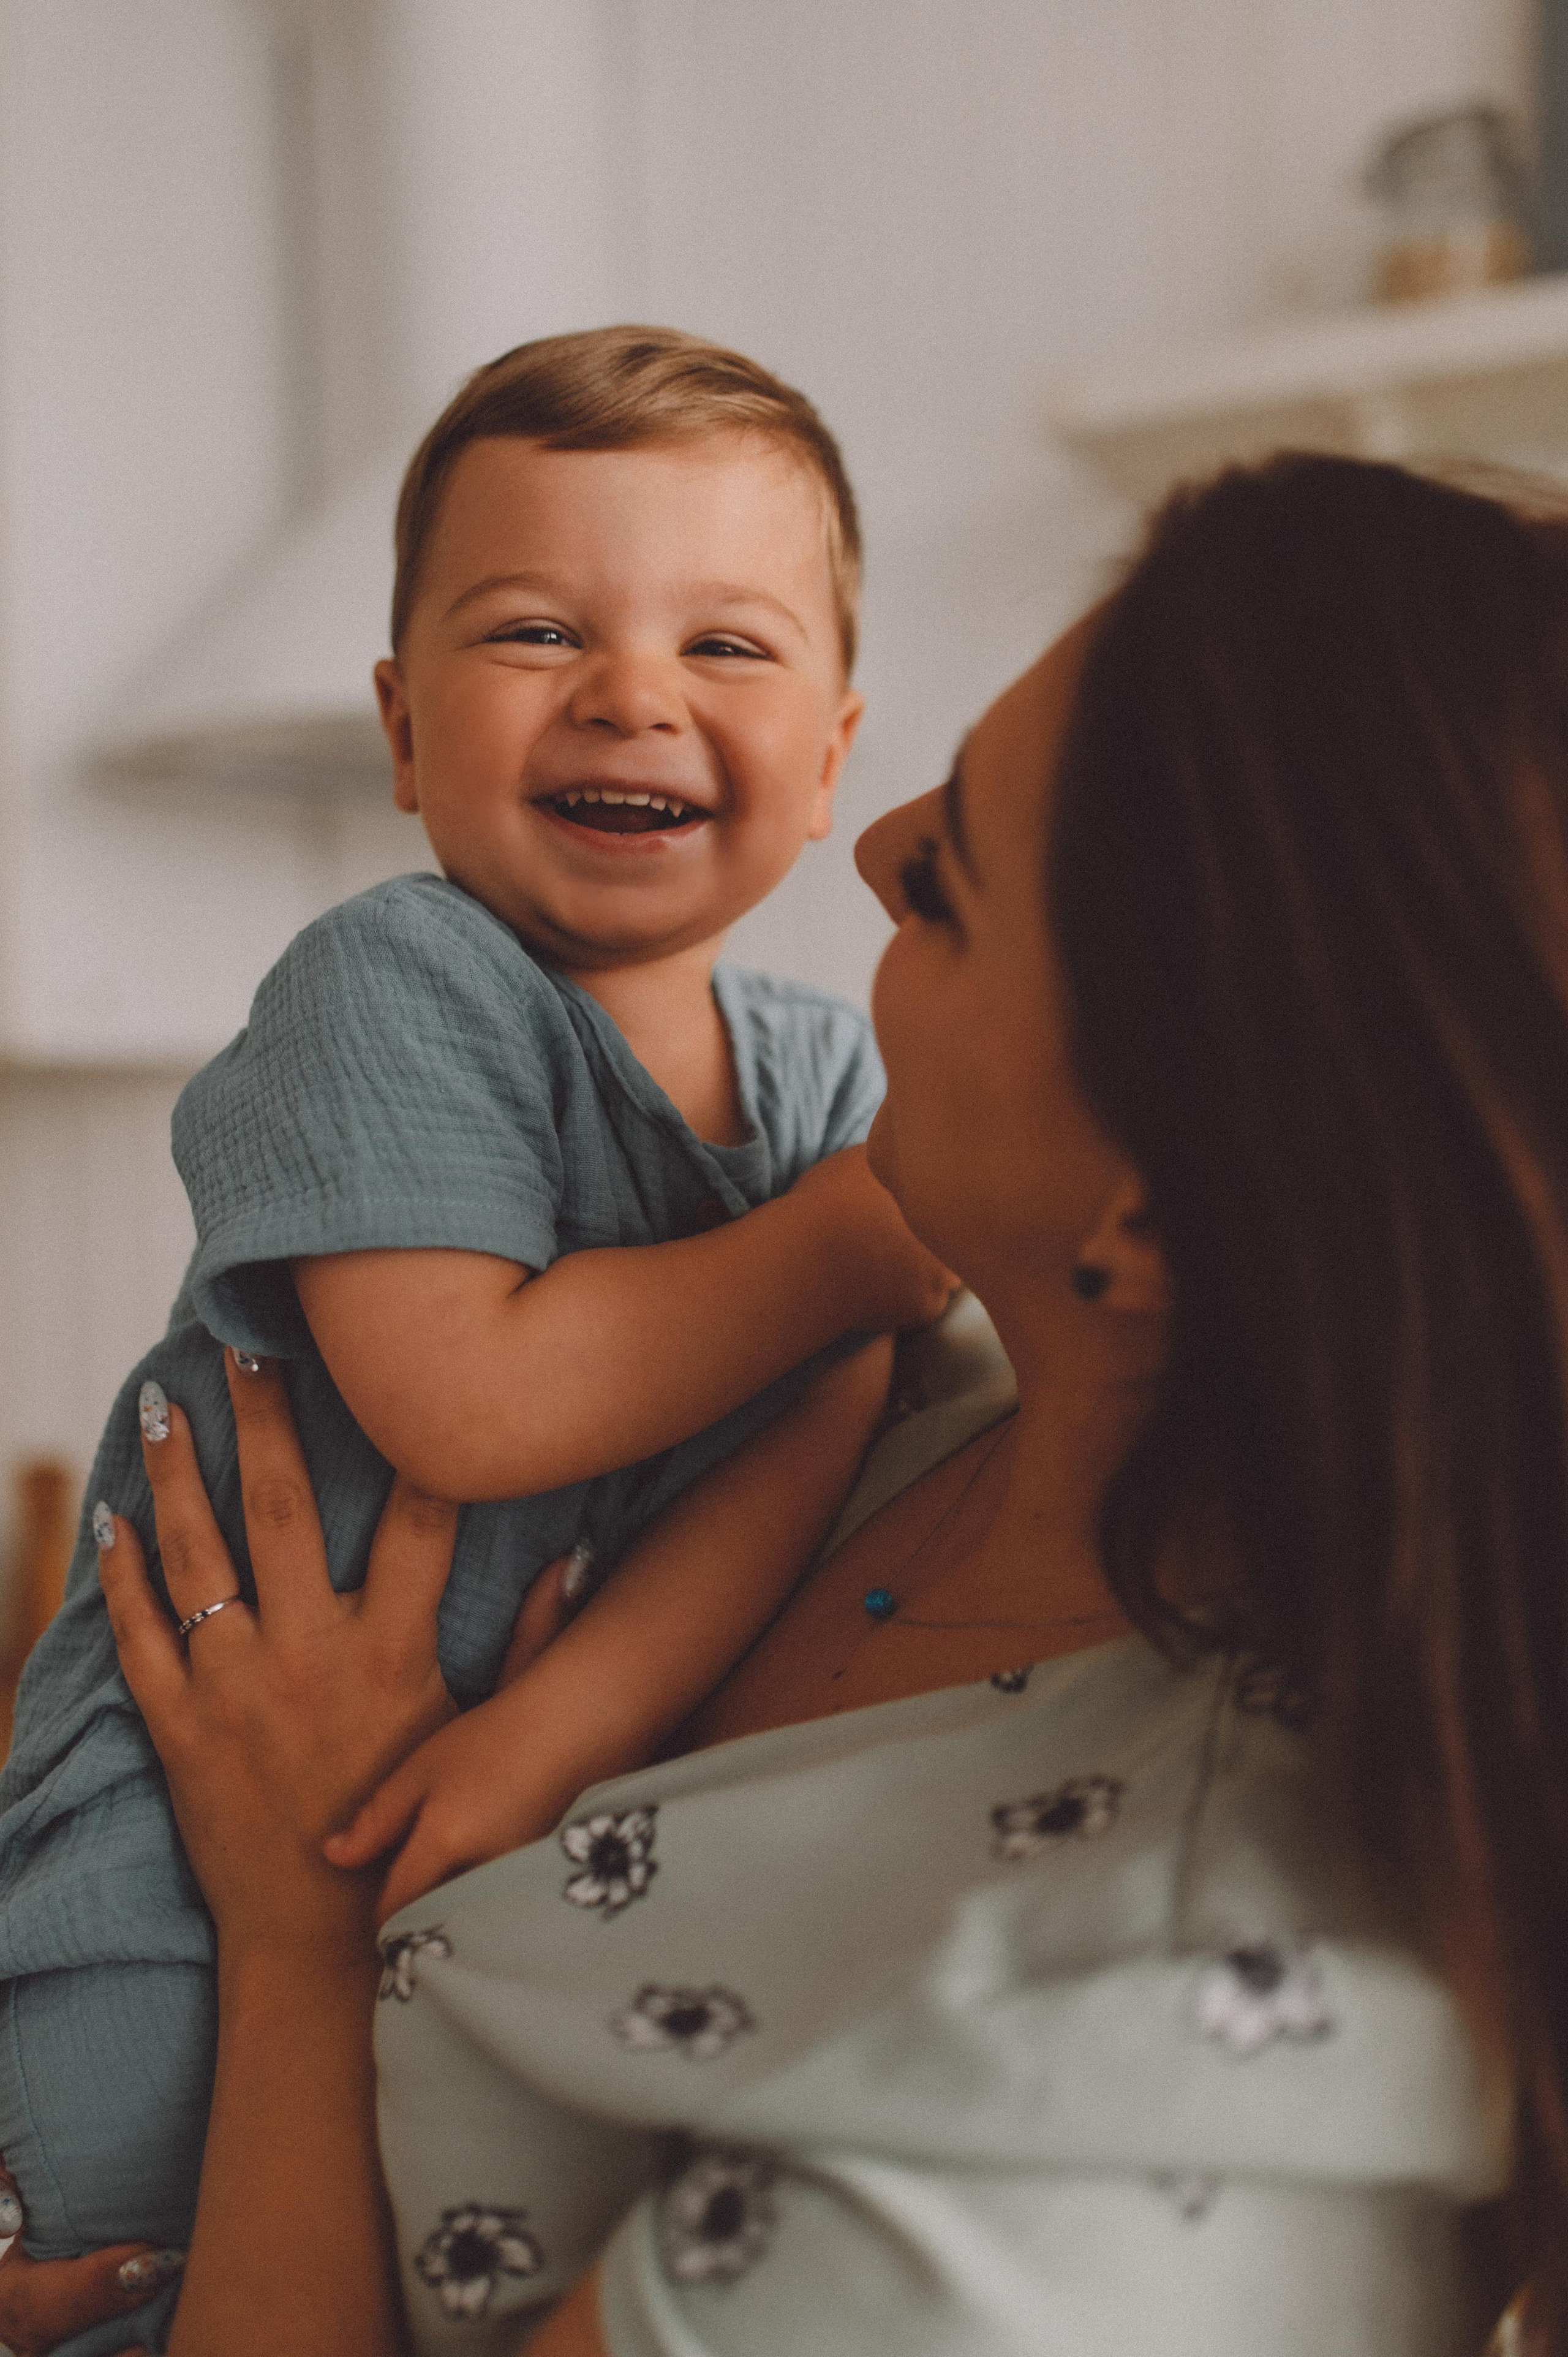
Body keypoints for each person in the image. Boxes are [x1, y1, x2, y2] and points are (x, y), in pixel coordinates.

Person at [4, 448, 1561, 2356]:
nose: (879, 834)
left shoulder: (1077, 2138)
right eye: (538, 629)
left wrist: (296, 1930)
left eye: (965, 877)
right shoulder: (927, 1397)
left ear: (1157, 1203)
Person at [0, 323, 954, 2351]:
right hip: (177, 1845)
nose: (633, 694)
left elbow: (820, 1425)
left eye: (730, 647)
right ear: (405, 731)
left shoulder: (822, 1075)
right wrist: (846, 1250)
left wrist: (575, 1712)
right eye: (537, 632)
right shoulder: (397, 981)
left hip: (493, 1832)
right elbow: (471, 1396)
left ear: (837, 756)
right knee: (131, 2249)